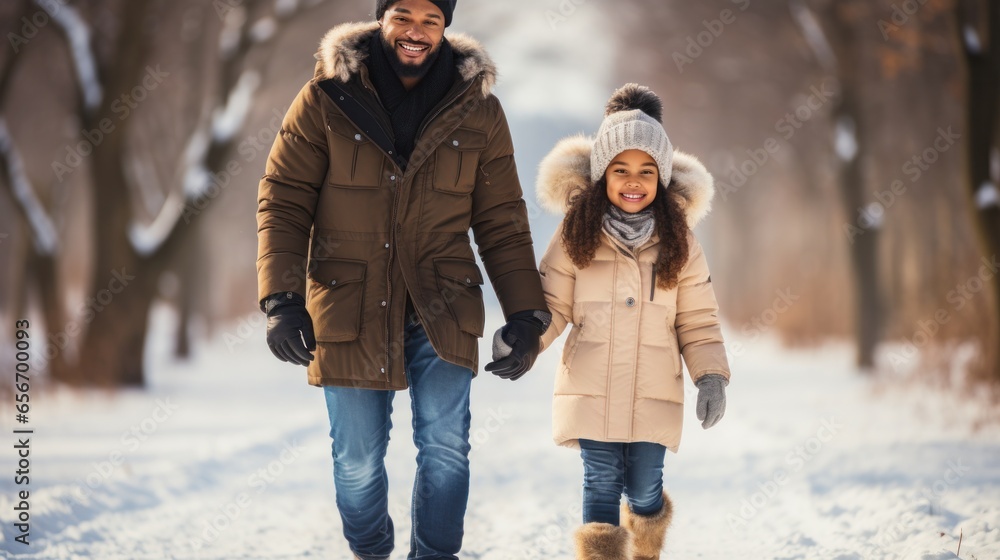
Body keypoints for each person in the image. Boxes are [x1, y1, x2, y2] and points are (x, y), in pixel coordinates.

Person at [254, 1, 551, 558]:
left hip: (444, 302)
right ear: (381, 19)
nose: (416, 32)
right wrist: (282, 299)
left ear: (445, 27)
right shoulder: (324, 98)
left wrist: (527, 314)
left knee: (446, 446)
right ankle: (370, 550)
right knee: (357, 457)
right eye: (403, 17)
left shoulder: (479, 109)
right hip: (348, 305)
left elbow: (502, 221)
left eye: (430, 20)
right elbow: (284, 203)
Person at [528, 84, 731, 560]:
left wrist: (712, 375)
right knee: (599, 479)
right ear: (603, 175)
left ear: (661, 177)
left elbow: (698, 318)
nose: (633, 180)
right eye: (620, 170)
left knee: (643, 488)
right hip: (591, 382)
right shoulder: (576, 232)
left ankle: (645, 547)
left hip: (653, 389)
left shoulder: (679, 240)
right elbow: (552, 304)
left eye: (646, 170)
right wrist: (524, 340)